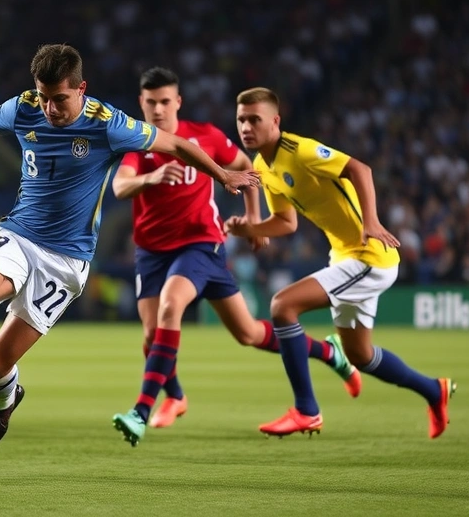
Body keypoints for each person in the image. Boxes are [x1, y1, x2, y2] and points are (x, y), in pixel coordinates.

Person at [0, 44, 260, 451]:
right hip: (19, 235)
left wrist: (223, 175)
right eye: (44, 97)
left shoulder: (109, 124)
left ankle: (5, 399)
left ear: (81, 88)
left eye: (60, 99)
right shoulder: (24, 107)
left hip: (65, 262)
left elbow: (176, 145)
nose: (50, 108)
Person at [110, 68, 358, 446]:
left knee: (170, 309)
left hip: (200, 244)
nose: (158, 109)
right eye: (150, 102)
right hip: (151, 253)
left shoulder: (204, 136)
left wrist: (255, 217)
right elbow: (120, 185)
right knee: (246, 333)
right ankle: (327, 352)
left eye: (164, 101)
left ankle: (140, 411)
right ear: (141, 103)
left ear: (177, 102)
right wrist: (150, 179)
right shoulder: (139, 143)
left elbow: (244, 168)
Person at [225, 87, 454, 438]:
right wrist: (250, 229)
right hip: (347, 256)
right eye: (241, 120)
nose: (246, 127)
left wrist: (371, 222)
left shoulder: (299, 151)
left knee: (282, 305)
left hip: (369, 256)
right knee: (360, 355)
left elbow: (359, 169)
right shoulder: (262, 166)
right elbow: (286, 222)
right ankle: (433, 390)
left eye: (254, 119)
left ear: (275, 121)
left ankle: (307, 410)